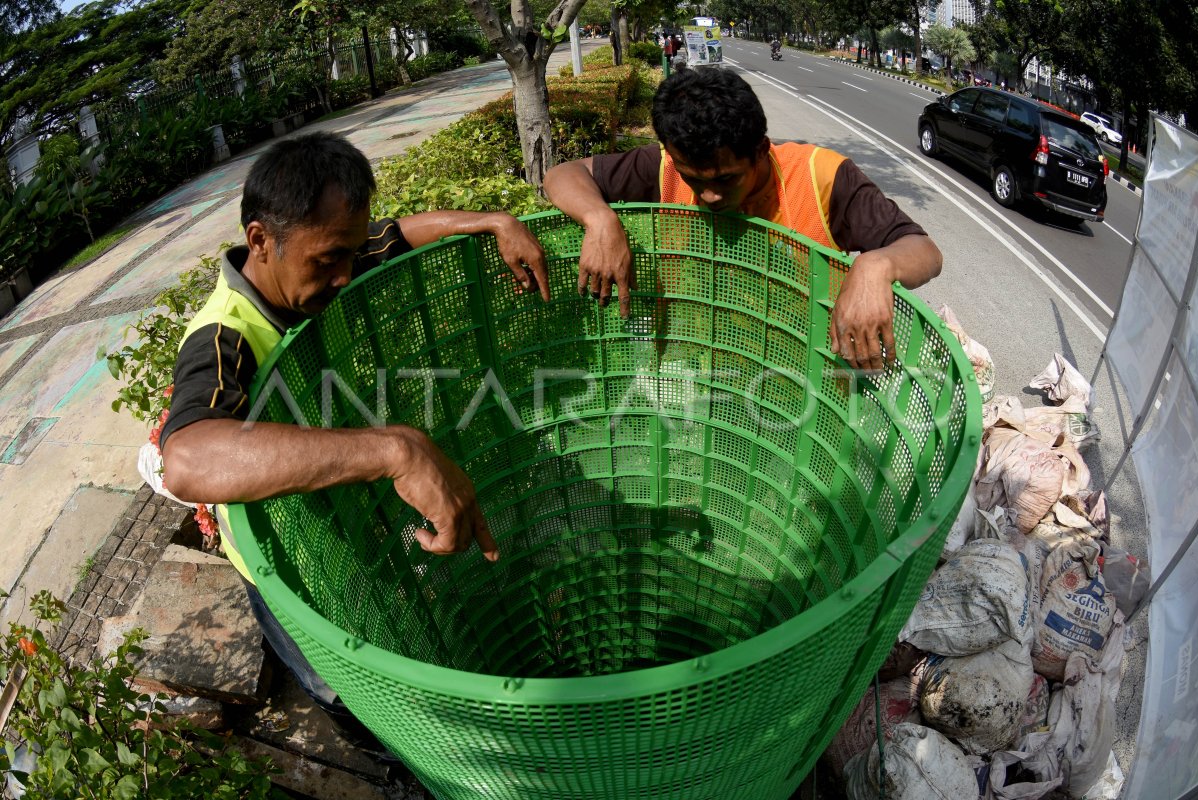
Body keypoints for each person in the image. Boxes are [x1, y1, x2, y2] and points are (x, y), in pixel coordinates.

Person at [159, 131, 549, 751]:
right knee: (339, 686)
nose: (346, 275)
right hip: (290, 577)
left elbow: (395, 235)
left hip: (345, 526)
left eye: (349, 255)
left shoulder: (320, 265)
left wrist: (493, 221)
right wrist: (395, 450)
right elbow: (185, 457)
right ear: (260, 240)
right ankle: (386, 755)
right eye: (327, 260)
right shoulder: (222, 337)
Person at [543, 68, 942, 372]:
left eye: (726, 179)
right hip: (696, 371)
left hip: (800, 377)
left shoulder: (820, 176)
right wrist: (599, 220)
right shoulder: (662, 166)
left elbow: (923, 250)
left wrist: (876, 265)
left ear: (761, 150)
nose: (708, 196)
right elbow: (563, 175)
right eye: (692, 179)